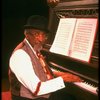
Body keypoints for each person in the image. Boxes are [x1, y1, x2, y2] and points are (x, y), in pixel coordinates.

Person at [8, 15, 78, 100]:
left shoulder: (34, 48)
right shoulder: (20, 55)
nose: (41, 39)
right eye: (36, 34)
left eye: (44, 35)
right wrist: (63, 79)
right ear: (26, 34)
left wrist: (57, 74)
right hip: (27, 98)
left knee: (70, 97)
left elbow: (38, 70)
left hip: (39, 94)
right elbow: (36, 89)